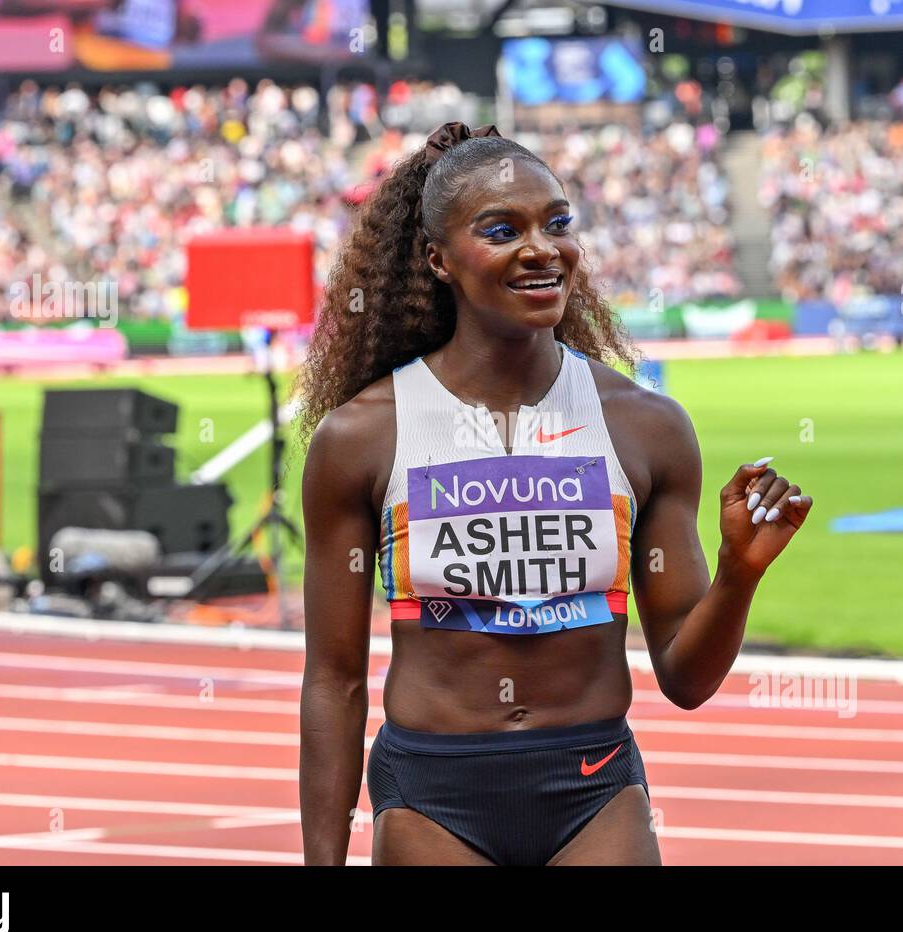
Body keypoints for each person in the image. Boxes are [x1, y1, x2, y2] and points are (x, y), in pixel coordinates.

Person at [296, 121, 812, 866]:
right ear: (438, 259)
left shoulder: (645, 426)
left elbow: (687, 677)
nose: (542, 248)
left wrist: (739, 575)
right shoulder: (362, 437)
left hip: (593, 790)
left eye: (558, 222)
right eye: (502, 229)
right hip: (434, 795)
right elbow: (334, 680)